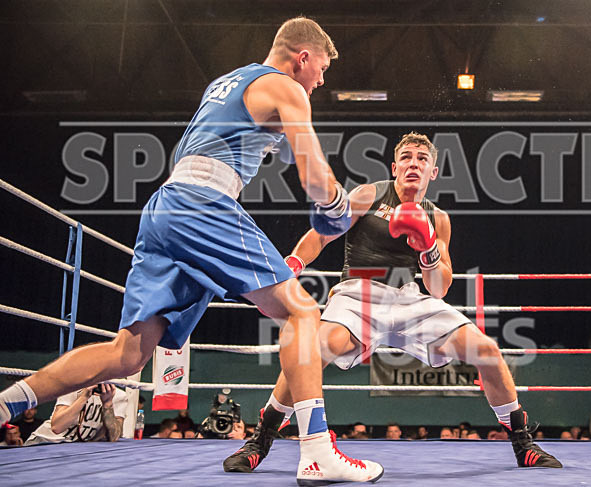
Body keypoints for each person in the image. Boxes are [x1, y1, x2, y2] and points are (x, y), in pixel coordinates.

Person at [0, 16, 382, 484]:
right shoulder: (287, 87)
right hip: (205, 203)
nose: (321, 80)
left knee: (128, 354)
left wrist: (326, 190)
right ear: (302, 57)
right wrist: (338, 204)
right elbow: (313, 176)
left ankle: (8, 402)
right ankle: (319, 451)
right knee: (303, 312)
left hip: (166, 206)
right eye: (321, 68)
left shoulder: (228, 82)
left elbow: (283, 152)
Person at [224, 132, 562, 472]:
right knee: (312, 349)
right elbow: (322, 233)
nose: (414, 163)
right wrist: (294, 263)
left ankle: (523, 443)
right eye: (407, 157)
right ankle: (261, 439)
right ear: (395, 165)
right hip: (358, 294)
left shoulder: (438, 218)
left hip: (410, 299)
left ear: (433, 171)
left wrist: (428, 246)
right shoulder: (369, 194)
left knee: (486, 351)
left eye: (422, 159)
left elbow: (439, 287)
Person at [24, 384, 126, 445]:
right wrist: (83, 397)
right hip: (44, 442)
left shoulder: (119, 396)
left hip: (74, 450)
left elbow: (114, 436)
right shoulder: (72, 388)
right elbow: (57, 427)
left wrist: (107, 404)